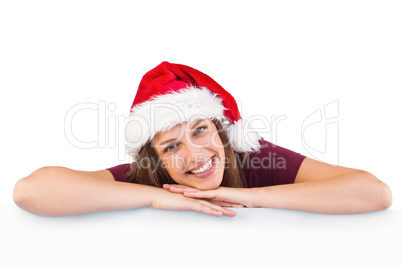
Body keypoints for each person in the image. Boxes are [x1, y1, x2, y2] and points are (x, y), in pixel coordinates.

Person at [13, 61, 392, 217]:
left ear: (220, 130)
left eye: (200, 130)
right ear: (156, 158)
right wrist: (153, 196)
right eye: (171, 145)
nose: (197, 154)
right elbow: (31, 191)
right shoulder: (148, 175)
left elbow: (375, 192)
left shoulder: (253, 158)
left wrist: (249, 196)